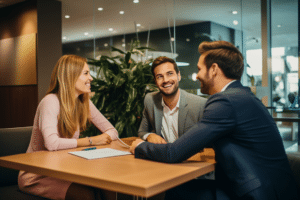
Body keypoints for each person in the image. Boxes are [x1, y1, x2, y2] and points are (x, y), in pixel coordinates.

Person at [130, 41, 299, 200]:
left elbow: (173, 153)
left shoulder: (225, 102)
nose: (196, 76)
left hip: (259, 192)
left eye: (199, 69)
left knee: (177, 192)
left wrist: (139, 146)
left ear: (214, 70)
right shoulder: (241, 94)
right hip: (269, 185)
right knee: (179, 190)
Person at [18, 55, 119, 200]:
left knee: (109, 186)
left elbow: (112, 131)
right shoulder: (50, 102)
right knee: (87, 195)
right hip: (37, 175)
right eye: (86, 73)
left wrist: (105, 138)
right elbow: (52, 144)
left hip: (65, 170)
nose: (91, 78)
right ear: (70, 76)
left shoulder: (84, 102)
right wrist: (92, 141)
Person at [138, 56, 207, 144]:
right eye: (159, 76)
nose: (165, 80)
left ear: (178, 76)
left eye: (170, 73)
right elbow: (141, 132)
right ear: (155, 81)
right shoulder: (150, 100)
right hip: (161, 156)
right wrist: (149, 135)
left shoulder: (200, 104)